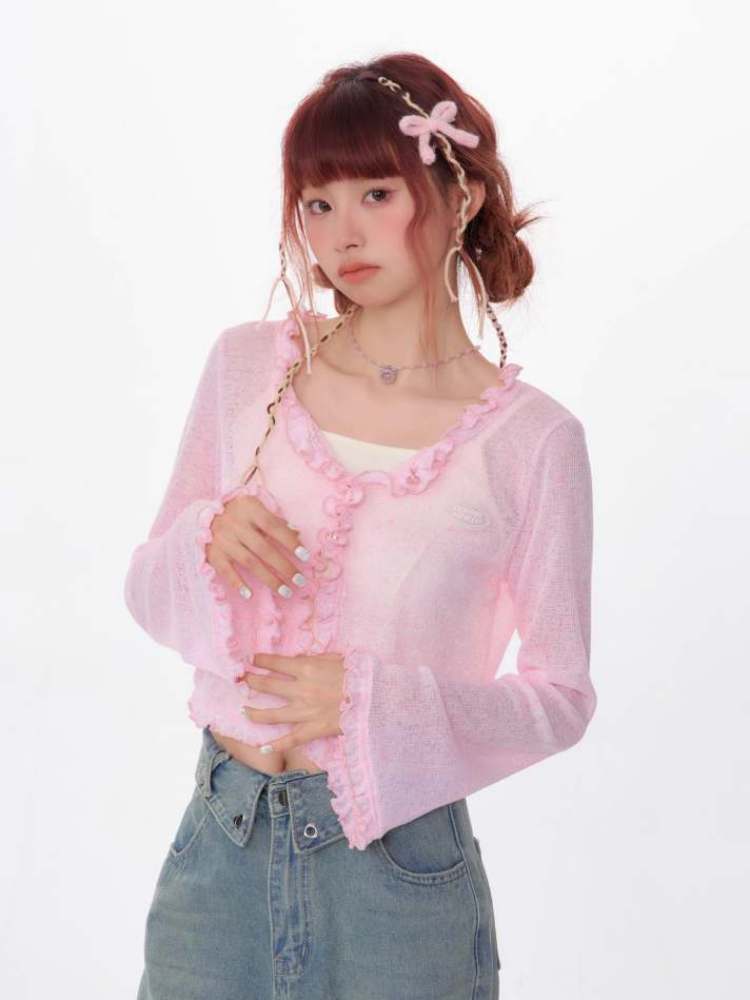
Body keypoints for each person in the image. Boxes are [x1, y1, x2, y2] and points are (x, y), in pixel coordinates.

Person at [125, 51, 597, 1000]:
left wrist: (381, 702)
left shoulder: (533, 442)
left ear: (459, 196)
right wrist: (203, 539)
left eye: (377, 193)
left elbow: (560, 697)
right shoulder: (249, 368)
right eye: (317, 203)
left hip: (398, 877)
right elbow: (144, 589)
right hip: (217, 856)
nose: (342, 233)